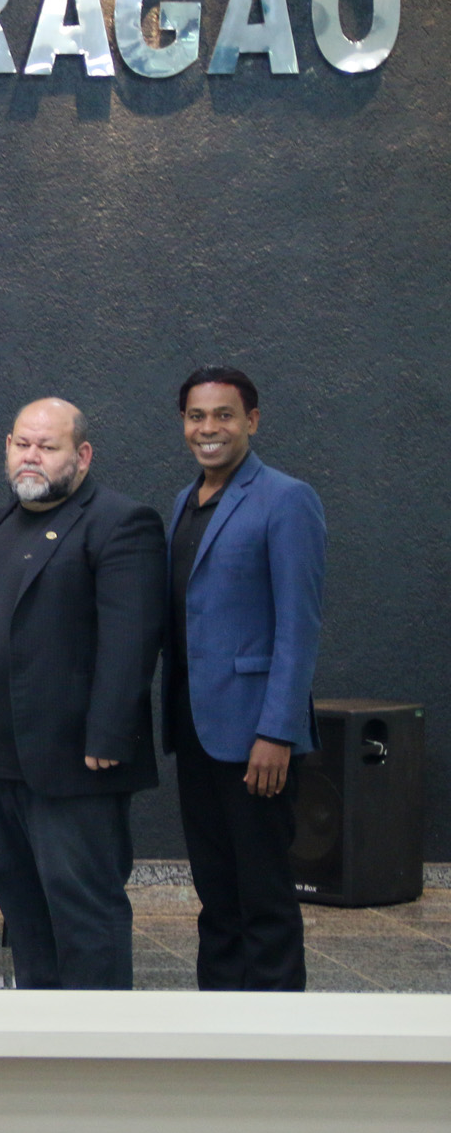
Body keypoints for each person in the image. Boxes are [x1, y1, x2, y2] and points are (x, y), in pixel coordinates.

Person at [0, 398, 167, 990]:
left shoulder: (120, 521)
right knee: (20, 906)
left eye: (48, 445)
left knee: (83, 910)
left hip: (73, 763)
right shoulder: (4, 521)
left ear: (81, 455)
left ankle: (95, 1056)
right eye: (22, 443)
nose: (31, 456)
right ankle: (40, 1040)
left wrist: (110, 733)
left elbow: (132, 638)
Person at [164, 368, 324, 991]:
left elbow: (298, 626)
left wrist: (278, 732)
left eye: (224, 415)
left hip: (257, 739)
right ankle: (221, 1028)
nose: (209, 429)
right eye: (196, 417)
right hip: (195, 731)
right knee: (216, 895)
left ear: (251, 420)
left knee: (264, 899)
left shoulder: (286, 499)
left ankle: (278, 1043)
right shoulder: (186, 502)